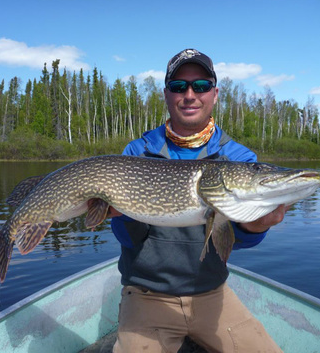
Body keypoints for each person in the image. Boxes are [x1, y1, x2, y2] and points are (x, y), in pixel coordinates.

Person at [110, 48, 287, 353]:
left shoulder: (239, 159)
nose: (190, 94)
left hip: (212, 294)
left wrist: (255, 228)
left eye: (201, 86)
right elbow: (127, 239)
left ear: (214, 94)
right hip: (147, 294)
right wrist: (121, 213)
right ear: (167, 95)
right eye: (179, 87)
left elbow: (237, 243)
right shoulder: (137, 153)